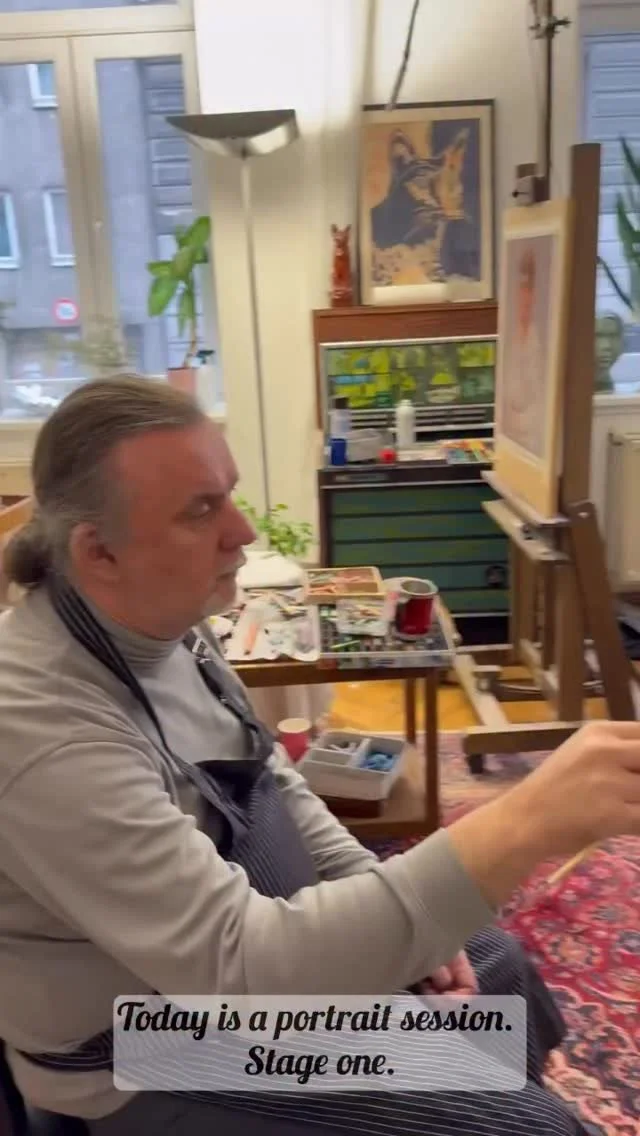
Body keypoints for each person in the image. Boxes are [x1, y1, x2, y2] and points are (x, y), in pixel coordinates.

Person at [0, 375, 639, 1136]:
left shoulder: (163, 619)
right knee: (528, 1126)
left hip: (224, 965)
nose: (242, 530)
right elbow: (243, 973)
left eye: (229, 495)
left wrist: (375, 889)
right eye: (200, 510)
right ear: (99, 551)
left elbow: (267, 769)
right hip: (141, 1042)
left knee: (495, 972)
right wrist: (524, 821)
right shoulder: (45, 730)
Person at [501, 246, 547, 458]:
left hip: (531, 440)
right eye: (521, 286)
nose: (524, 296)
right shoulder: (509, 332)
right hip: (511, 437)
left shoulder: (540, 340)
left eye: (529, 287)